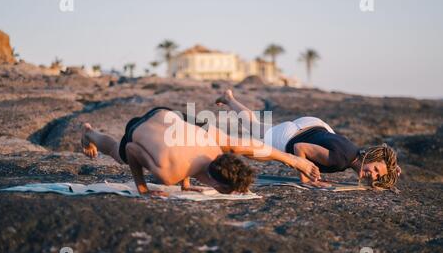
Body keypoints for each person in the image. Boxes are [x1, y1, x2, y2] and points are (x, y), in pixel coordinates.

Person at [81, 107, 321, 195]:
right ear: (219, 186)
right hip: (140, 129)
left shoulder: (213, 150)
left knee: (232, 142)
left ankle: (290, 159)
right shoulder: (168, 174)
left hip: (169, 115)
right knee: (117, 151)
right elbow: (133, 149)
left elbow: (189, 154)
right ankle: (90, 133)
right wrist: (142, 189)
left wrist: (294, 160)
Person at [216, 89, 401, 189]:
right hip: (291, 137)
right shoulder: (340, 160)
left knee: (255, 125)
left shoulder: (354, 153)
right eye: (375, 170)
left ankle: (229, 98)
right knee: (254, 138)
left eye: (378, 176)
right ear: (369, 157)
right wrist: (306, 180)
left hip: (312, 125)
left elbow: (373, 168)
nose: (373, 175)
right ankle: (212, 138)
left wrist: (390, 171)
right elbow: (299, 148)